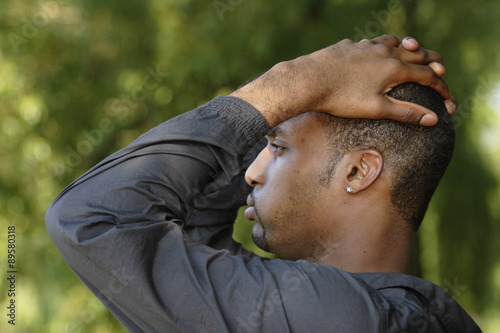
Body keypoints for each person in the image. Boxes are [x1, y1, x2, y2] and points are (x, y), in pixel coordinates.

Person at [46, 35, 481, 332]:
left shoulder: (332, 315)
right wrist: (300, 100)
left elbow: (94, 217)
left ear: (357, 172)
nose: (251, 172)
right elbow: (197, 233)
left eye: (278, 149)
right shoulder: (429, 316)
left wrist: (298, 81)